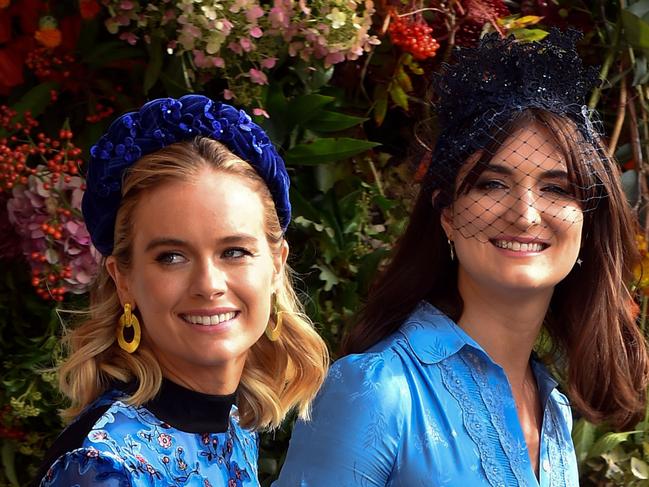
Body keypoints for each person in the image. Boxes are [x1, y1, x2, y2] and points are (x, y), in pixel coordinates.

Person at [274, 30, 649, 486]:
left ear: (588, 223)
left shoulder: (555, 409)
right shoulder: (377, 390)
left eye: (556, 188)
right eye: (492, 183)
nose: (526, 214)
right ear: (447, 216)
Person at [35, 95, 329, 486]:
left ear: (276, 265)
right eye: (172, 257)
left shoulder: (234, 425)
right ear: (124, 279)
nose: (208, 284)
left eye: (234, 251)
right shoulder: (104, 469)